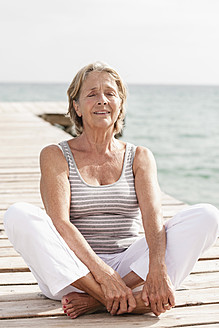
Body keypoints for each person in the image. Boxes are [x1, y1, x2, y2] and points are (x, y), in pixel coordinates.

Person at [3, 62, 219, 320]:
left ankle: (97, 302)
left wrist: (157, 269)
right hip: (73, 274)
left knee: (206, 216)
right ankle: (120, 298)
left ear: (120, 105)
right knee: (18, 214)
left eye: (110, 93)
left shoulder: (139, 156)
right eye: (92, 94)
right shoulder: (55, 155)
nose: (102, 100)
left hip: (130, 269)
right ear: (77, 107)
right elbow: (60, 223)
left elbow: (153, 219)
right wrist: (104, 276)